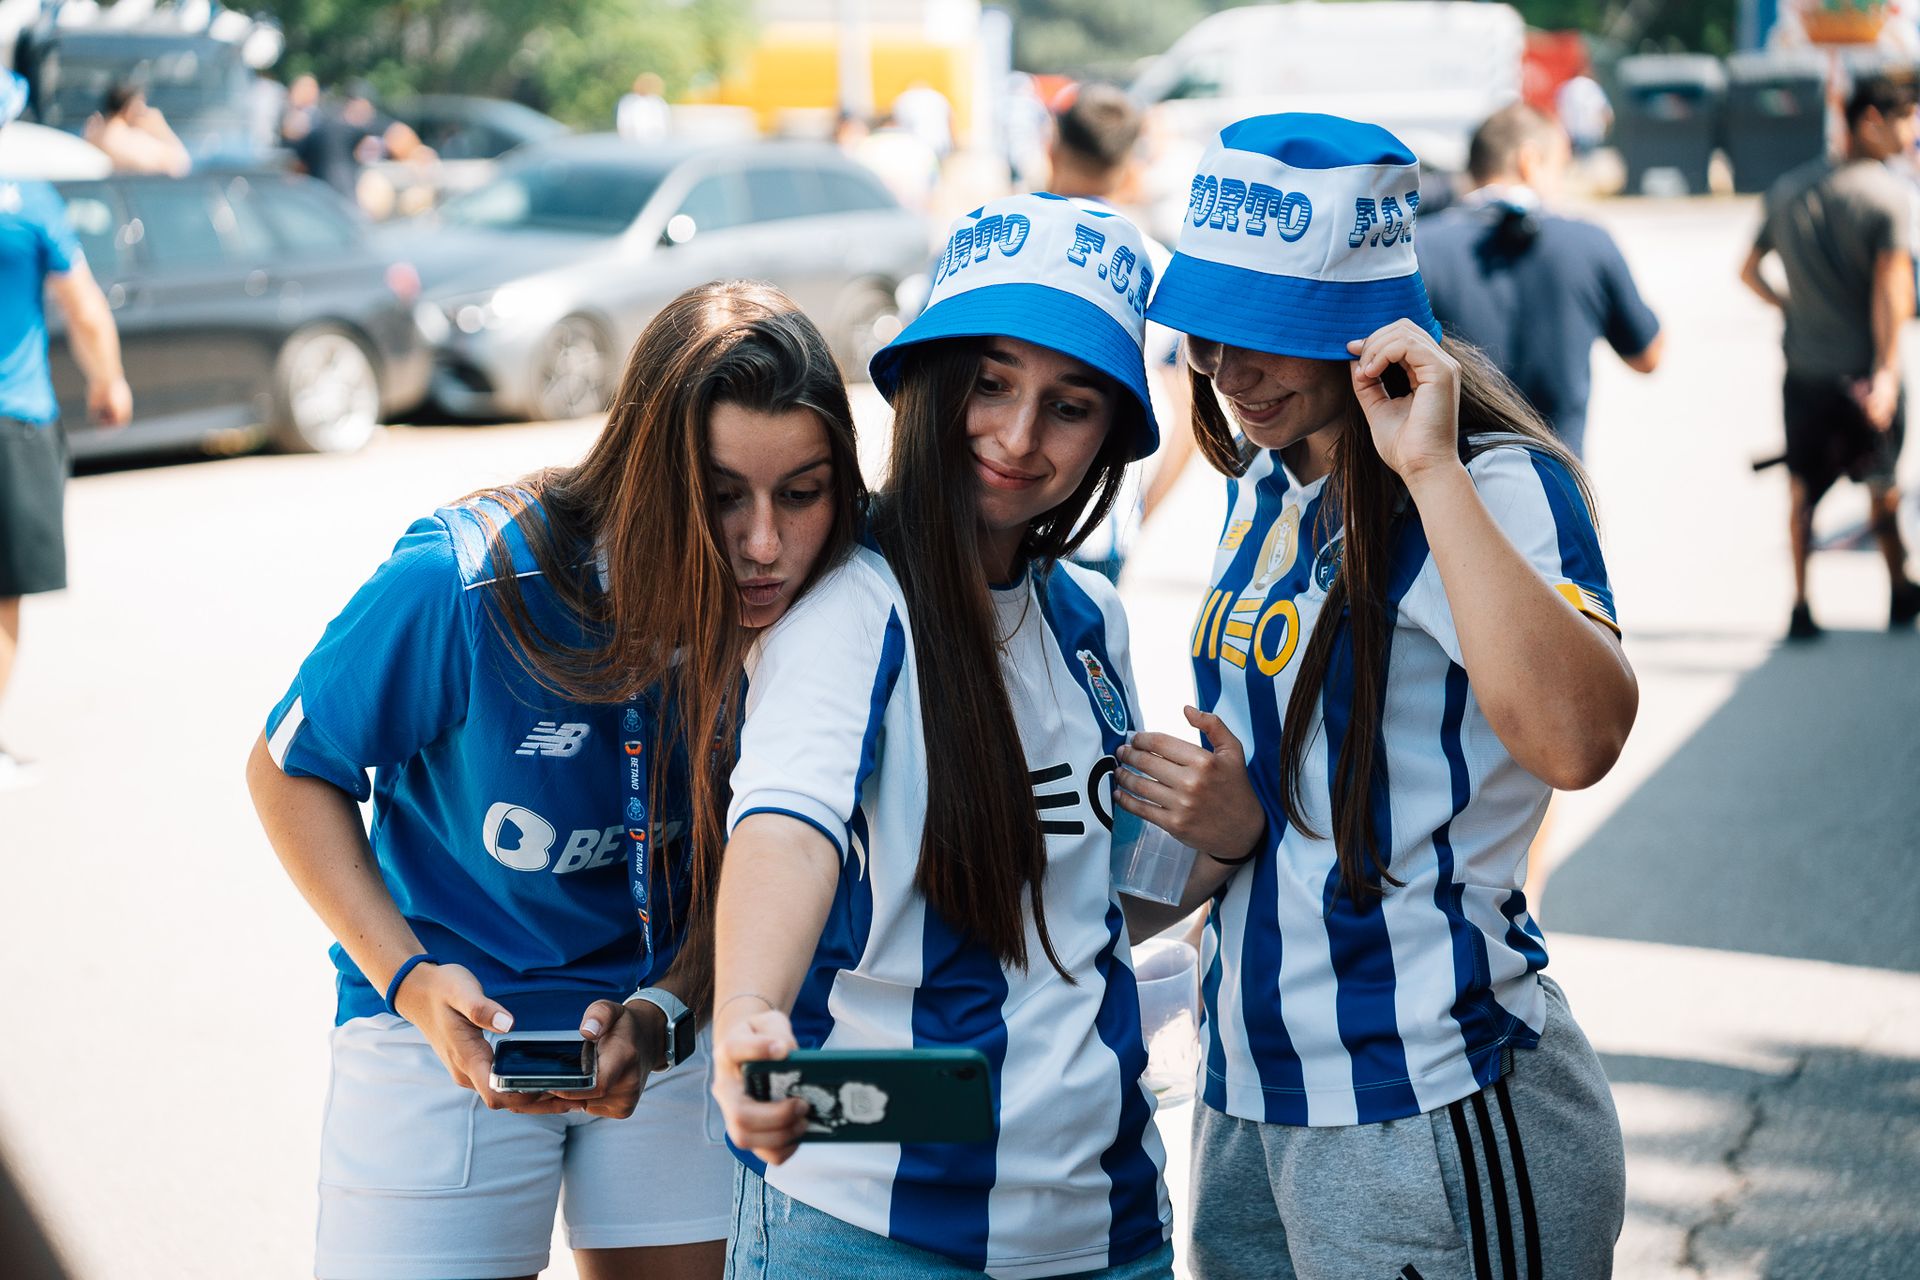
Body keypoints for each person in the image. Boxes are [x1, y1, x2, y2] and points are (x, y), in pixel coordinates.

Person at [245, 280, 865, 1280]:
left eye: (801, 493)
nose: (763, 544)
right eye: (719, 496)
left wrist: (669, 1005)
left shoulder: (832, 602)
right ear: (647, 468)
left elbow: (769, 858)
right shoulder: (463, 578)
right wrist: (410, 979)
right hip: (444, 1016)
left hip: (669, 1017)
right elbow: (288, 772)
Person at [1131, 113, 1637, 1279]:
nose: (1230, 365)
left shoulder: (1489, 484)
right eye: (1212, 324)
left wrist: (1426, 464)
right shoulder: (1263, 481)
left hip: (1429, 1096)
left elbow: (1580, 736)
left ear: (1366, 326)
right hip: (1251, 1090)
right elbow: (1274, 777)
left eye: (1271, 330)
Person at [710, 193, 1175, 1278]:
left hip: (1111, 1220)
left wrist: (1227, 831)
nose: (1019, 437)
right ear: (927, 383)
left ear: (1112, 433)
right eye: (991, 382)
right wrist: (747, 1009)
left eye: (1070, 406)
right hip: (872, 1227)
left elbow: (1083, 898)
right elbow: (787, 821)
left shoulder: (1089, 615)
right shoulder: (850, 604)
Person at [1740, 73, 1920, 639]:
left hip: (1804, 374)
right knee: (1882, 485)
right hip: (1866, 374)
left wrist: (1789, 305)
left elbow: (1747, 271)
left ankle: (1800, 606)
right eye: (1908, 119)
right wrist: (1887, 376)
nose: (1914, 132)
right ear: (1872, 121)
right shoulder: (1886, 194)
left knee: (1801, 491)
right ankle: (1899, 592)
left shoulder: (1789, 189)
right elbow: (1894, 292)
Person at [0, 69, 132, 789]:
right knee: (3, 592)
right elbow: (83, 306)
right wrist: (108, 380)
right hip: (12, 421)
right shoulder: (28, 202)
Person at [1418, 104, 1663, 460]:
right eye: (1560, 169)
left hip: (1454, 491)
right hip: (1558, 491)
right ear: (1529, 161)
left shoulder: (1421, 248)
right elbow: (1647, 357)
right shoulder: (1588, 242)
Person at [1047, 82, 1196, 584]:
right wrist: (1138, 514)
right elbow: (1190, 420)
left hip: (982, 522)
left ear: (1052, 146)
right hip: (1098, 533)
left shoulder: (992, 243)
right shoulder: (1160, 268)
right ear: (1131, 164)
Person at [84, 82, 191, 177]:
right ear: (131, 106)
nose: (144, 110)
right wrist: (160, 127)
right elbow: (179, 165)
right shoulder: (126, 138)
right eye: (141, 104)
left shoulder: (99, 134)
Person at [617, 73, 671, 143]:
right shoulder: (629, 101)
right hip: (632, 143)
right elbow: (623, 124)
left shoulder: (658, 102)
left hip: (655, 143)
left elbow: (663, 126)